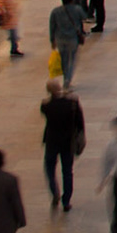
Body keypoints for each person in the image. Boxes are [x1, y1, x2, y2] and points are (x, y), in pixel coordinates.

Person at [40, 81, 84, 213]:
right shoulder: (72, 104)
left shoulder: (46, 106)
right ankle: (66, 201)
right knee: (67, 172)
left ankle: (55, 192)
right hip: (67, 142)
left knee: (49, 169)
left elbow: (44, 108)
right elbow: (80, 122)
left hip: (52, 142)